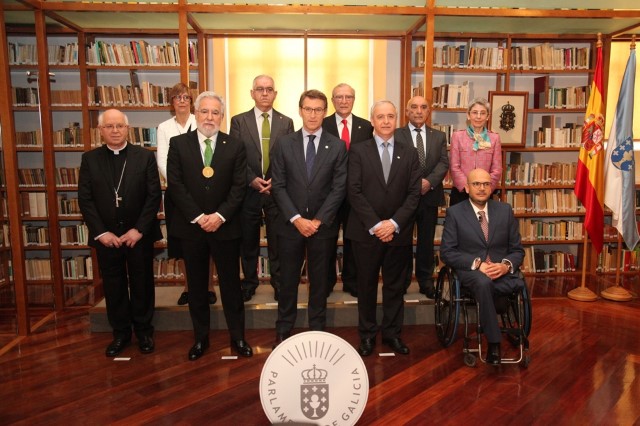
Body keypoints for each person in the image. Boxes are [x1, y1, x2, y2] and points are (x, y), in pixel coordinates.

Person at [166, 91, 252, 361]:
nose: (210, 117)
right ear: (196, 113)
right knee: (197, 287)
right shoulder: (179, 144)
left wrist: (219, 216)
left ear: (222, 116)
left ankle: (238, 336)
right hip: (192, 228)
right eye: (204, 111)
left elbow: (239, 187)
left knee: (230, 287)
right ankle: (200, 338)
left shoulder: (235, 145)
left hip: (225, 228)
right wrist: (199, 216)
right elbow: (175, 185)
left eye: (216, 112)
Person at [78, 108, 162, 357]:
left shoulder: (144, 157)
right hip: (107, 237)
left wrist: (139, 230)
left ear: (127, 129)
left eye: (119, 126)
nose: (115, 131)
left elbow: (153, 196)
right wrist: (101, 233)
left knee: (142, 283)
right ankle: (121, 334)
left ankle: (144, 331)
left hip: (139, 235)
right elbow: (85, 200)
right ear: (101, 130)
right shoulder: (90, 159)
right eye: (109, 126)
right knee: (113, 285)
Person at [270, 89, 347, 347]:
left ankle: (317, 328)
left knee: (320, 280)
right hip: (290, 225)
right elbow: (278, 186)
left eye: (318, 109)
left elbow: (339, 188)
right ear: (300, 110)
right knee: (288, 279)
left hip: (322, 227)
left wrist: (318, 220)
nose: (313, 114)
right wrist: (296, 218)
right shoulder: (283, 143)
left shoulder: (336, 146)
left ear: (325, 112)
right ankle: (284, 328)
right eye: (308, 109)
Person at [346, 100, 421, 356]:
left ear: (396, 118)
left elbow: (413, 194)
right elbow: (353, 192)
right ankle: (367, 335)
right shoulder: (357, 151)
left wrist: (394, 223)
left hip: (398, 233)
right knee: (366, 286)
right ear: (372, 120)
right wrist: (377, 225)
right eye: (381, 117)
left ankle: (392, 334)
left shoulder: (409, 153)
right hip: (366, 233)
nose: (386, 121)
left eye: (390, 116)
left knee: (394, 287)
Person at [440, 168, 525, 365]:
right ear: (467, 188)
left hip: (500, 271)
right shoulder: (455, 213)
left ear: (491, 187)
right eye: (476, 184)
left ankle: (497, 300)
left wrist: (505, 266)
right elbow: (447, 252)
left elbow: (517, 250)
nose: (481, 188)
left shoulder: (505, 211)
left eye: (486, 184)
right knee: (484, 282)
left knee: (500, 283)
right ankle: (494, 343)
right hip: (472, 272)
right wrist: (477, 264)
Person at [230, 75, 294, 303]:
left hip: (277, 192)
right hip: (249, 191)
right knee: (248, 241)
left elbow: (289, 157)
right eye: (260, 89)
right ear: (252, 93)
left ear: (275, 94)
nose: (265, 93)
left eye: (269, 89)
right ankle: (249, 283)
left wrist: (275, 180)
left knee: (278, 242)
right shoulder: (239, 121)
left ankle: (278, 284)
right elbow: (236, 157)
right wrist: (252, 179)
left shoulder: (286, 122)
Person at [156, 83, 216, 307]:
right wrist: (179, 184)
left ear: (191, 102)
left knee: (207, 244)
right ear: (171, 102)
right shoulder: (164, 127)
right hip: (177, 196)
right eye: (176, 97)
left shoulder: (200, 120)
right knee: (183, 245)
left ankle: (209, 287)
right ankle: (189, 288)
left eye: (185, 97)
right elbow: (163, 161)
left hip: (204, 193)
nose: (181, 101)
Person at [322, 83, 373, 297]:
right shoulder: (321, 124)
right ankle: (326, 283)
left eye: (348, 97)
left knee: (355, 241)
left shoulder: (367, 126)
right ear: (332, 101)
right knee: (326, 241)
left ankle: (352, 282)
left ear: (354, 99)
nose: (344, 101)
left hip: (357, 194)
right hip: (328, 193)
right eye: (339, 97)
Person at [395, 95, 449, 298]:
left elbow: (444, 163)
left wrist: (429, 182)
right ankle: (403, 280)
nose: (419, 111)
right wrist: (414, 184)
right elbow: (394, 164)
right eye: (414, 107)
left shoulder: (439, 136)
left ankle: (426, 282)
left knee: (426, 242)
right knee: (403, 242)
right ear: (407, 111)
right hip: (403, 198)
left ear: (429, 112)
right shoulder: (396, 134)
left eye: (423, 107)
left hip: (430, 196)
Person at [449, 97, 502, 206]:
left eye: (482, 113)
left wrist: (484, 187)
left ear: (487, 116)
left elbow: (497, 169)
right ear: (468, 115)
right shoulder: (457, 136)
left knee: (482, 222)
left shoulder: (494, 138)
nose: (478, 116)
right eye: (474, 112)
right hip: (462, 192)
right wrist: (468, 187)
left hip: (485, 193)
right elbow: (454, 166)